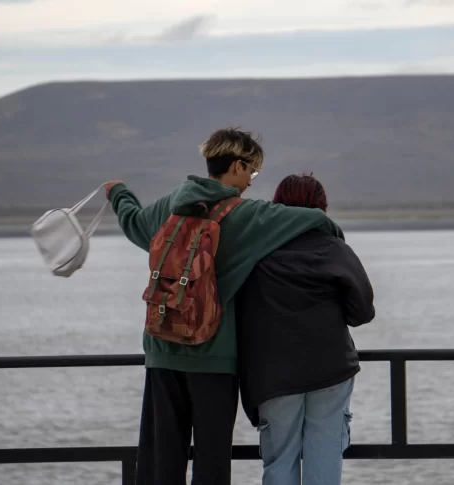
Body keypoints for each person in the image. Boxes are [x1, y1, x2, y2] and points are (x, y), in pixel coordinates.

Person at [104, 129, 344, 485]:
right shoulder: (246, 216)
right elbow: (312, 220)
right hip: (213, 355)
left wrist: (118, 193)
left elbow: (134, 223)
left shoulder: (169, 206)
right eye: (252, 172)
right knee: (211, 460)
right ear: (236, 165)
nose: (250, 182)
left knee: (160, 458)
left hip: (161, 348)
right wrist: (335, 236)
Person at [236, 174, 375, 485]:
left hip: (273, 375)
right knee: (324, 457)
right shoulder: (334, 248)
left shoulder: (255, 252)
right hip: (330, 368)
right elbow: (362, 312)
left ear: (277, 205)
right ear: (320, 207)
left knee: (280, 460)